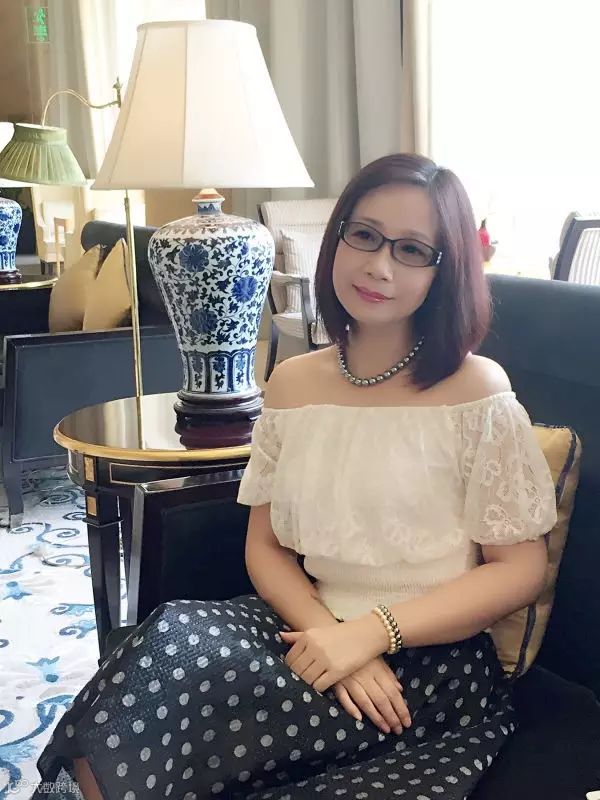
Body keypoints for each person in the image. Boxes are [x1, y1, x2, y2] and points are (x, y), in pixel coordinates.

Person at [34, 153, 557, 799]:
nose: (379, 265)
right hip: (307, 627)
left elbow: (519, 569)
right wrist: (329, 636)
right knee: (166, 640)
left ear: (444, 270)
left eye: (412, 250)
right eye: (364, 235)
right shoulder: (292, 382)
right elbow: (266, 545)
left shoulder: (476, 389)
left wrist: (369, 635)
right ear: (336, 238)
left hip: (426, 665)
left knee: (178, 710)